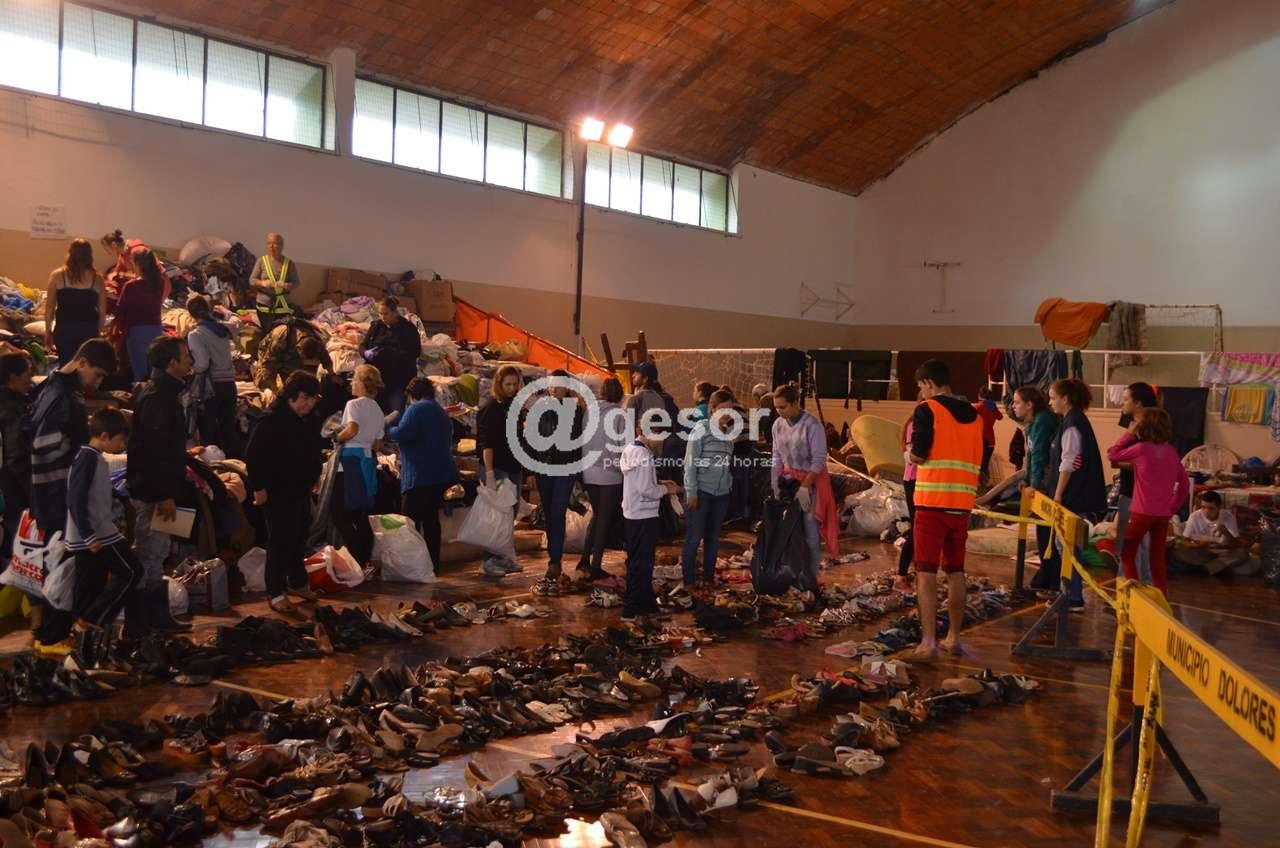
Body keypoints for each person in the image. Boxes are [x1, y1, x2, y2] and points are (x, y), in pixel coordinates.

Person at [26, 339, 115, 655]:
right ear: (82, 362)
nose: (98, 382)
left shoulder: (55, 388)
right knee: (62, 566)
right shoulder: (62, 397)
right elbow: (47, 447)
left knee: (61, 563)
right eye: (98, 374)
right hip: (57, 495)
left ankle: (55, 633)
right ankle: (53, 636)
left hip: (53, 494)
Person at [904, 360, 984, 662]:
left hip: (932, 502)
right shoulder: (975, 415)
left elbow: (920, 454)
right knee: (955, 570)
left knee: (925, 572)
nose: (921, 393)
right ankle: (954, 638)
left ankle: (928, 643)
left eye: (921, 386)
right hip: (961, 505)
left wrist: (908, 455)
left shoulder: (928, 410)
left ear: (928, 383)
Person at [126, 336, 194, 632]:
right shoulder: (158, 398)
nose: (190, 360)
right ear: (171, 363)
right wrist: (165, 494)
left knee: (159, 551)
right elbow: (155, 452)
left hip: (162, 489)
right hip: (154, 492)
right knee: (149, 553)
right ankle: (141, 622)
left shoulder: (165, 393)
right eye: (185, 355)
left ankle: (158, 617)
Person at [246, 371, 325, 615]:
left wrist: (314, 476)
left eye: (313, 399)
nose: (309, 404)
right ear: (291, 396)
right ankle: (275, 590)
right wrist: (258, 488)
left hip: (300, 487)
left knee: (300, 534)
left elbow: (313, 450)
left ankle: (297, 581)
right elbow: (253, 456)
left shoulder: (309, 419)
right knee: (281, 539)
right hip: (276, 490)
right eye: (305, 398)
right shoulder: (271, 420)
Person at [67, 408, 147, 639]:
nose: (122, 445)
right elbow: (76, 498)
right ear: (104, 436)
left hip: (94, 533)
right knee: (131, 571)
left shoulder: (94, 457)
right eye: (120, 440)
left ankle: (85, 632)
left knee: (90, 584)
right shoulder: (88, 458)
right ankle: (93, 620)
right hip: (97, 534)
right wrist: (88, 534)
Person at [1106, 407, 1190, 595]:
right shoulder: (1171, 451)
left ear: (1143, 427)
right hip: (1163, 515)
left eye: (1136, 423)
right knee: (1157, 558)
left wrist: (1129, 433)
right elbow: (1184, 484)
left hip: (1141, 512)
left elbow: (1113, 454)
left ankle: (1135, 593)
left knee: (1127, 553)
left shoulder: (1141, 449)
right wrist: (1172, 508)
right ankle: (1161, 595)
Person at [1043, 378, 1108, 612]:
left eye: (1053, 398)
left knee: (1067, 546)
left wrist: (1058, 494)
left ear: (1065, 399)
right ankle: (1069, 594)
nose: (1050, 403)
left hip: (1073, 497)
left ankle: (1072, 597)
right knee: (1067, 546)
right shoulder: (1071, 421)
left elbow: (1069, 462)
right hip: (1074, 496)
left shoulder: (1072, 424)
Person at [388, 377, 457, 571]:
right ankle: (433, 564)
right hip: (438, 475)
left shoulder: (415, 409)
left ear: (412, 394)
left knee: (410, 522)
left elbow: (402, 434)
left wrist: (387, 428)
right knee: (431, 521)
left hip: (418, 475)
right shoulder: (440, 412)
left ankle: (413, 565)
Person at [530, 370, 585, 590]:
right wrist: (531, 470)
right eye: (551, 385)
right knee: (549, 513)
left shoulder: (576, 411)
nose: (554, 388)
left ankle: (555, 560)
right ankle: (554, 559)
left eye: (558, 385)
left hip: (565, 468)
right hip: (544, 469)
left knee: (557, 511)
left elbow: (580, 442)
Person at [620, 422, 680, 620]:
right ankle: (631, 609)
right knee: (641, 565)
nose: (662, 442)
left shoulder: (631, 448)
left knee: (639, 562)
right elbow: (647, 490)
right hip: (644, 515)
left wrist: (659, 482)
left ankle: (647, 605)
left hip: (633, 512)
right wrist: (667, 489)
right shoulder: (644, 455)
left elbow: (638, 481)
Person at [770, 383, 834, 571]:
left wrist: (805, 487)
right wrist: (775, 482)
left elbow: (819, 460)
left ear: (795, 403)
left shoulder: (812, 425)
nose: (779, 411)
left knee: (811, 531)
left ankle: (811, 575)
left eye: (783, 407)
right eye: (776, 407)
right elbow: (776, 456)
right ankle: (791, 572)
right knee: (788, 530)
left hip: (811, 482)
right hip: (789, 482)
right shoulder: (778, 424)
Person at [681, 388, 735, 586]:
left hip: (722, 494)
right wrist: (691, 492)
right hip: (701, 493)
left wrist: (728, 484)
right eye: (723, 409)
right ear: (712, 409)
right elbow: (690, 463)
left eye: (730, 409)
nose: (727, 413)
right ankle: (689, 581)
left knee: (713, 538)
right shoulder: (701, 429)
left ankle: (708, 579)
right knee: (694, 538)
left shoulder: (728, 433)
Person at [332, 364, 385, 566]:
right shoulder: (378, 409)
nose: (352, 383)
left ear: (363, 383)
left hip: (350, 462)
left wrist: (336, 437)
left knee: (339, 513)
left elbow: (352, 429)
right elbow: (378, 443)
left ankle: (355, 557)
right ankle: (364, 558)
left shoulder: (353, 404)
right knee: (361, 513)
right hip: (368, 462)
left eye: (354, 379)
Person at [475, 364, 525, 577]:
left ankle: (503, 556)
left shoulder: (515, 407)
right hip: (496, 467)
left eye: (514, 384)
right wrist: (490, 474)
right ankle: (488, 560)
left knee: (510, 513)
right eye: (508, 385)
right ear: (499, 384)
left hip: (513, 467)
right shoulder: (490, 409)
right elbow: (486, 443)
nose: (511, 388)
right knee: (496, 516)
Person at [576, 377, 626, 579]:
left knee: (597, 516)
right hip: (610, 473)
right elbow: (621, 446)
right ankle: (595, 565)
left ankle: (584, 559)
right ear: (620, 395)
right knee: (604, 520)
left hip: (589, 470)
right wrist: (622, 469)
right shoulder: (620, 415)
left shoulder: (590, 411)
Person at [1012, 386, 1059, 590]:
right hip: (1041, 478)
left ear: (1029, 405)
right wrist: (1027, 477)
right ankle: (1046, 572)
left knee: (1047, 529)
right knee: (1042, 529)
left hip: (1049, 480)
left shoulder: (1043, 421)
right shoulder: (1032, 424)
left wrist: (1035, 484)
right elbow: (1030, 454)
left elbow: (1039, 454)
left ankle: (1052, 577)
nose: (1013, 406)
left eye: (1017, 402)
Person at [1111, 382, 1158, 584]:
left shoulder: (1150, 427)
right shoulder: (1131, 424)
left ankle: (1135, 588)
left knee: (1137, 546)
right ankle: (1129, 586)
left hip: (1141, 496)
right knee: (1127, 545)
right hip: (1128, 491)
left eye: (1126, 399)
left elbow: (1150, 462)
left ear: (1138, 403)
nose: (1122, 403)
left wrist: (1122, 460)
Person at [185, 295, 241, 458]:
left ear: (191, 314)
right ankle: (234, 461)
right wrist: (225, 312)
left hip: (211, 387)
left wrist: (189, 369)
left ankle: (210, 464)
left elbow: (202, 364)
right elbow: (238, 322)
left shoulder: (196, 334)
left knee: (207, 430)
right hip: (230, 384)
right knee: (228, 428)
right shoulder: (224, 329)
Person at [44, 239, 106, 365]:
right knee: (86, 368)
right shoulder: (97, 279)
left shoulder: (57, 275)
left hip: (64, 328)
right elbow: (102, 311)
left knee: (66, 366)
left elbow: (50, 307)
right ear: (89, 255)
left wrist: (48, 331)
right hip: (89, 329)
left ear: (70, 254)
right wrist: (99, 332)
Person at [360, 297, 421, 413]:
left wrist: (389, 353)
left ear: (395, 312)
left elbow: (415, 352)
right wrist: (365, 353)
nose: (383, 317)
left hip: (398, 380)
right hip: (377, 381)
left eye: (386, 314)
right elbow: (363, 345)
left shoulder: (408, 329)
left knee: (395, 413)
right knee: (375, 413)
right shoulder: (376, 326)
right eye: (380, 314)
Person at [0, 354, 34, 565]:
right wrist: (30, 488)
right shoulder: (14, 409)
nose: (30, 380)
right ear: (13, 377)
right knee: (15, 527)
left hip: (6, 479)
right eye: (27, 375)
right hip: (12, 482)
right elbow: (15, 455)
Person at [116, 250, 166, 381]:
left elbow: (121, 310)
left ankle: (141, 393)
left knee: (140, 373)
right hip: (156, 330)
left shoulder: (130, 286)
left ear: (138, 265)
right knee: (155, 373)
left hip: (136, 332)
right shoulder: (160, 283)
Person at [1173, 491, 1251, 575]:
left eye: (1211, 508)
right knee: (1178, 551)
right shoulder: (1194, 516)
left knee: (1242, 554)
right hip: (1201, 551)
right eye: (1203, 507)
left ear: (1219, 508)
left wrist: (1226, 532)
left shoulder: (1228, 517)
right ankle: (1217, 567)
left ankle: (1204, 569)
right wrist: (1198, 545)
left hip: (1222, 551)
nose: (1206, 511)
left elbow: (1236, 544)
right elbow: (1183, 540)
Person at [255, 319, 330, 391]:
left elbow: (326, 358)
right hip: (269, 351)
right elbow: (267, 364)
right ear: (298, 349)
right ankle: (253, 366)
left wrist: (332, 374)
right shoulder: (280, 337)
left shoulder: (315, 342)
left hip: (290, 354)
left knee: (294, 382)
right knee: (264, 382)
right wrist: (275, 390)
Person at [249, 232, 299, 330]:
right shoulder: (261, 261)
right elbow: (251, 280)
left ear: (281, 246)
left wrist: (286, 285)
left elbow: (296, 282)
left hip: (283, 305)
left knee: (281, 333)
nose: (271, 246)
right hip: (264, 305)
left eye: (274, 243)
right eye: (269, 243)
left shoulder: (289, 263)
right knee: (267, 332)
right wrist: (262, 283)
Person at [895, 415, 918, 593]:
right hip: (914, 480)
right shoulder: (914, 424)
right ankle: (900, 576)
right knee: (917, 529)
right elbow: (911, 455)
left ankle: (918, 572)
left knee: (921, 530)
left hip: (923, 481)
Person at [973, 387, 1003, 484]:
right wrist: (994, 407)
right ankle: (985, 485)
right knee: (985, 466)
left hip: (981, 440)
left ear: (979, 395)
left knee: (979, 466)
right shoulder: (992, 407)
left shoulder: (978, 407)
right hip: (990, 441)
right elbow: (1000, 417)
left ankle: (981, 487)